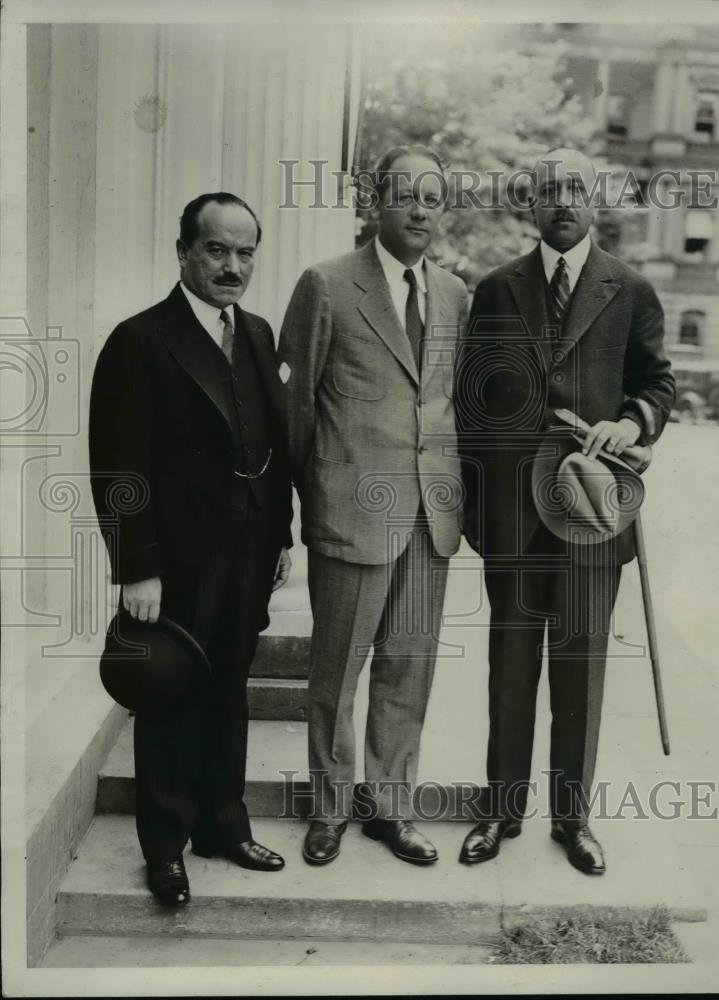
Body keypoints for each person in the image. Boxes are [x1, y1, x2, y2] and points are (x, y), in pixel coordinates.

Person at [456, 148, 675, 874]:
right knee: (510, 667)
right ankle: (499, 811)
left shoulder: (631, 289)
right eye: (546, 190)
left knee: (579, 669)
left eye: (574, 188)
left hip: (590, 514)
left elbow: (658, 384)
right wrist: (476, 515)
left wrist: (633, 422)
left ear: (597, 199)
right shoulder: (493, 291)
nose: (560, 201)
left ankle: (571, 820)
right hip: (513, 520)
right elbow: (470, 409)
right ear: (529, 203)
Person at [89, 193, 293, 905]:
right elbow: (117, 466)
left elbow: (275, 442)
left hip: (247, 551)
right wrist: (135, 566)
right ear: (183, 253)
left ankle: (222, 826)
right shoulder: (141, 339)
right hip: (173, 563)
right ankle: (165, 847)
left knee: (229, 690)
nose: (232, 266)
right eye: (216, 250)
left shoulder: (261, 334)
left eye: (244, 253)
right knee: (171, 696)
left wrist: (281, 536)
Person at [278, 146, 468, 866]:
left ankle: (390, 807)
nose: (420, 210)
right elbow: (293, 409)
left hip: (431, 515)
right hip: (351, 512)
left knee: (408, 665)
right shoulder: (326, 286)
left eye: (432, 197)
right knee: (338, 669)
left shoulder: (454, 294)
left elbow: (453, 408)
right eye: (405, 195)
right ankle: (328, 808)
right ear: (375, 203)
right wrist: (303, 504)